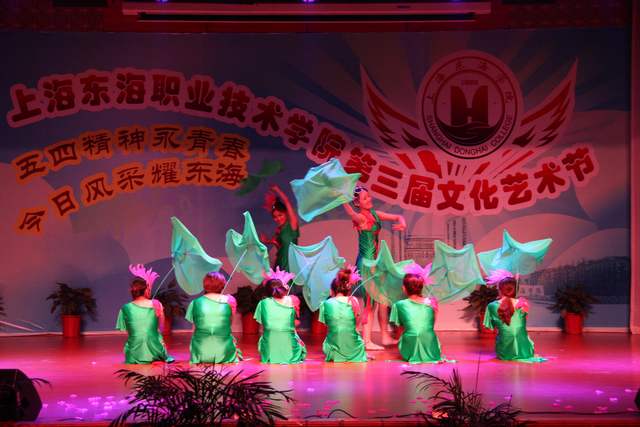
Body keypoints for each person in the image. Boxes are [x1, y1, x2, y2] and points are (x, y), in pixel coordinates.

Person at [343, 186, 406, 350]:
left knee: (382, 300)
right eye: (365, 198)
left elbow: (397, 216)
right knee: (370, 303)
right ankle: (366, 341)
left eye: (369, 196)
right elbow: (351, 213)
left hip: (375, 263)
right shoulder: (361, 218)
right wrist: (341, 199)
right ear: (358, 203)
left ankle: (384, 336)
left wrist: (402, 223)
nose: (369, 199)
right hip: (366, 264)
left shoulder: (375, 214)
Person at [483, 274, 546, 363]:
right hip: (525, 351)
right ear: (515, 290)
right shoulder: (523, 304)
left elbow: (490, 327)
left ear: (500, 290)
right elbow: (522, 323)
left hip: (504, 353)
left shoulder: (492, 306)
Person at [390, 272, 449, 364]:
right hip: (430, 344)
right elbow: (431, 323)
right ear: (421, 287)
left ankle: (410, 351)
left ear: (404, 288)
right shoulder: (432, 302)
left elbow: (399, 329)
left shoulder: (398, 305)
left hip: (410, 342)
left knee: (405, 334)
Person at [185, 272, 242, 364]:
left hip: (200, 352)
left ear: (205, 285)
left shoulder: (195, 302)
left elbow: (195, 327)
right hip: (224, 351)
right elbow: (229, 324)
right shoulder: (230, 301)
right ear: (222, 285)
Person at [116, 276, 173, 364]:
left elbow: (127, 331)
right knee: (157, 338)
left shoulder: (125, 308)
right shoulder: (156, 304)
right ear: (146, 290)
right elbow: (161, 327)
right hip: (155, 349)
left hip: (134, 353)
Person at [318, 267, 367, 362]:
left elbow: (327, 325)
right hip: (354, 350)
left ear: (331, 291)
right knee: (357, 337)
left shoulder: (326, 304)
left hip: (334, 350)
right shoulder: (354, 301)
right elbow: (356, 324)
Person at [254, 278, 306, 364]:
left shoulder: (263, 303)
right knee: (296, 339)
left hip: (270, 346)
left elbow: (265, 325)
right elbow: (293, 323)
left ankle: (271, 352)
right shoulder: (292, 300)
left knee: (264, 337)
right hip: (290, 348)